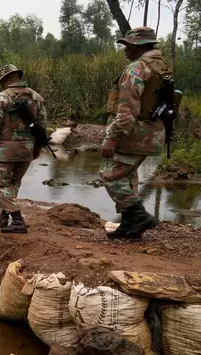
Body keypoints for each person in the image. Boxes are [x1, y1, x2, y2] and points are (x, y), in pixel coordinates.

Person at [100, 27, 172, 239]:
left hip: (135, 133)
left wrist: (113, 138)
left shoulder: (137, 68)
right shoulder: (161, 67)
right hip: (153, 132)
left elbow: (128, 110)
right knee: (127, 174)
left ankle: (138, 216)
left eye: (128, 45)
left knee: (109, 175)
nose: (125, 50)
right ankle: (131, 225)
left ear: (140, 46)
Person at [0, 64, 47, 234]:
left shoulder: (0, 98)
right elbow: (42, 126)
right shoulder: (36, 97)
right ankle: (4, 216)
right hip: (26, 151)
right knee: (13, 184)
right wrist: (37, 148)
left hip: (4, 151)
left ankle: (17, 221)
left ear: (6, 80)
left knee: (2, 185)